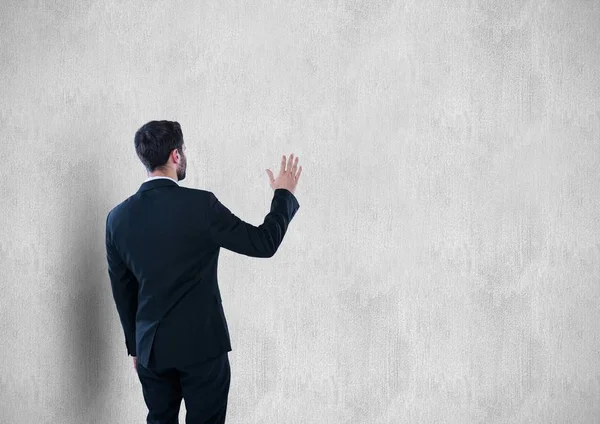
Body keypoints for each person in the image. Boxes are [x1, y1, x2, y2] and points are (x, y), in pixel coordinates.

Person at [105, 120, 302, 423]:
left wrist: (135, 346)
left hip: (151, 349)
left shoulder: (117, 219)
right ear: (175, 156)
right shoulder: (200, 205)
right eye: (183, 150)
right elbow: (264, 243)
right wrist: (283, 195)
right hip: (202, 348)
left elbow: (123, 289)